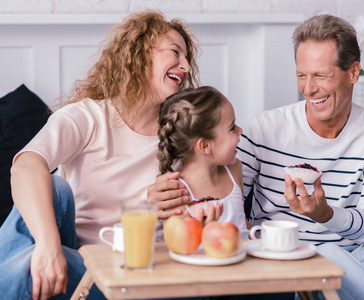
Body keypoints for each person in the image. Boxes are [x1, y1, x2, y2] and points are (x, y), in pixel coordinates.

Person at [0, 9, 219, 300]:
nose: (186, 67)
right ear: (140, 53)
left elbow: (194, 222)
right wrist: (49, 246)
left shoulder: (181, 136)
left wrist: (158, 211)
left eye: (187, 59)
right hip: (76, 257)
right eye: (175, 52)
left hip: (132, 268)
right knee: (55, 187)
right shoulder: (88, 117)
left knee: (28, 269)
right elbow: (25, 166)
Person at [236, 14, 364, 300]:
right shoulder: (263, 129)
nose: (309, 88)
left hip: (359, 263)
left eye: (321, 75)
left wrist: (326, 215)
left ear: (353, 72)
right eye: (301, 75)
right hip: (289, 269)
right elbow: (230, 203)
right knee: (327, 252)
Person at [157, 86, 248, 235]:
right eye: (232, 128)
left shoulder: (234, 169)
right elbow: (178, 245)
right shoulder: (176, 194)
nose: (240, 130)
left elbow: (243, 224)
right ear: (205, 146)